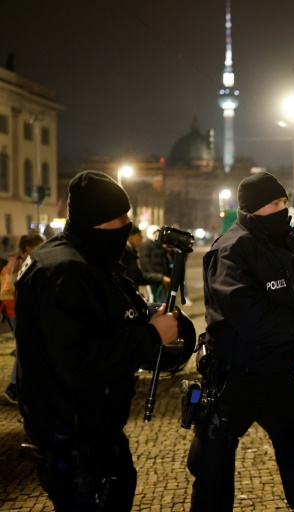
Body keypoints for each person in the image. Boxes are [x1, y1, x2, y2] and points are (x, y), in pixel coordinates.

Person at [14, 170, 179, 511]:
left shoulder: (84, 258)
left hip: (90, 427)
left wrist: (145, 319)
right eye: (121, 218)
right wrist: (150, 335)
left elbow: (107, 319)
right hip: (73, 435)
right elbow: (79, 362)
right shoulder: (67, 270)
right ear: (98, 223)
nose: (127, 225)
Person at [187, 172, 294, 512]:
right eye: (275, 204)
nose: (284, 210)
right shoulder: (231, 250)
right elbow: (251, 318)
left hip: (279, 374)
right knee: (212, 465)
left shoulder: (290, 241)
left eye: (284, 203)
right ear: (252, 209)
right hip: (236, 377)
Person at [1, 233, 45, 404]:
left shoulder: (22, 261)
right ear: (28, 248)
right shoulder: (18, 264)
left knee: (26, 350)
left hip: (19, 311)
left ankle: (21, 387)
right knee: (22, 350)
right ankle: (13, 389)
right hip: (17, 312)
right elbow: (6, 291)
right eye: (39, 246)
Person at [120, 225, 169, 295]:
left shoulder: (130, 252)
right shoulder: (124, 253)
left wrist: (161, 278)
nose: (142, 237)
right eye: (139, 234)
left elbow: (139, 276)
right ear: (130, 237)